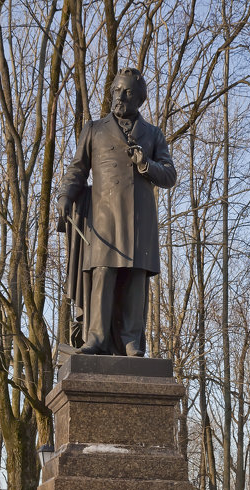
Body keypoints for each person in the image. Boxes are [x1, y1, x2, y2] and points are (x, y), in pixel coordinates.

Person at [57, 67, 176, 357]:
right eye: (116, 91)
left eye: (127, 92)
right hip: (103, 218)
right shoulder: (94, 130)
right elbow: (77, 170)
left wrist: (145, 163)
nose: (120, 97)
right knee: (103, 273)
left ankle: (131, 340)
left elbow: (170, 175)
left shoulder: (152, 134)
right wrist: (64, 196)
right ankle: (95, 338)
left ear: (139, 99)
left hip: (139, 220)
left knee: (136, 277)